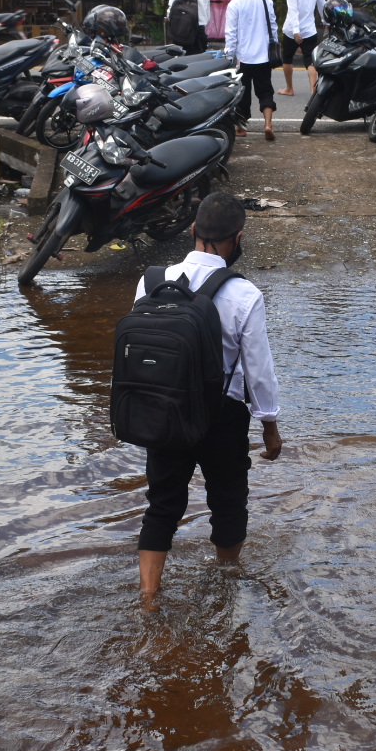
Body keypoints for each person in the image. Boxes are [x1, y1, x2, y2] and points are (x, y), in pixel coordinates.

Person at [134, 193, 283, 603]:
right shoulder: (244, 294)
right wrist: (270, 426)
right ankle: (226, 581)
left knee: (161, 505)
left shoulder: (151, 281)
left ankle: (148, 599)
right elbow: (258, 369)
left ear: (193, 230)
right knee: (228, 501)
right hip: (222, 415)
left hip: (163, 412)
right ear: (238, 238)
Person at [223, 0, 279, 142]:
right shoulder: (265, 0)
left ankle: (241, 128)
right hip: (264, 56)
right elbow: (273, 27)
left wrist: (228, 57)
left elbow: (231, 34)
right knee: (266, 91)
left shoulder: (234, 4)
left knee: (242, 93)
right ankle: (268, 125)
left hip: (243, 58)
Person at [279, 0, 325, 96]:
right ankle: (313, 92)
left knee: (287, 58)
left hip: (291, 31)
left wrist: (296, 31)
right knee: (310, 61)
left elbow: (293, 9)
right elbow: (322, 6)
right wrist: (326, 22)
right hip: (310, 30)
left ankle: (289, 89)